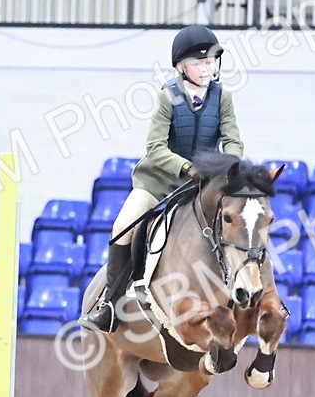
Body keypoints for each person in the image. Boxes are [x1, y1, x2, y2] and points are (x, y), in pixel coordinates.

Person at [80, 24, 244, 332]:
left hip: (202, 187)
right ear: (182, 68)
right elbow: (155, 148)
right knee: (121, 229)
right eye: (200, 62)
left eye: (211, 61)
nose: (208, 68)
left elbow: (233, 139)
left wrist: (229, 163)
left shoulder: (223, 98)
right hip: (158, 183)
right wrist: (186, 168)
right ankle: (111, 306)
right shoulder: (169, 97)